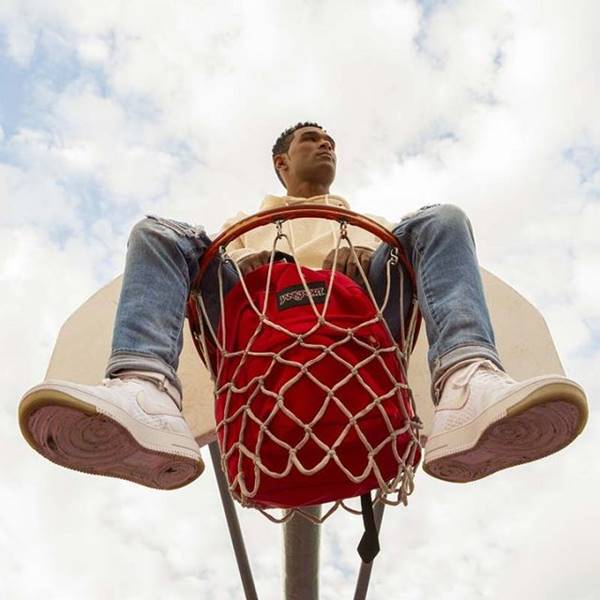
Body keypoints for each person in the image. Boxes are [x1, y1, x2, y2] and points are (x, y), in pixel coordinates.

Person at [19, 122, 588, 490]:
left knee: (440, 221)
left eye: (330, 140)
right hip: (254, 356)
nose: (326, 144)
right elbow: (226, 284)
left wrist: (362, 263)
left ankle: (467, 381)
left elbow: (403, 279)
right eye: (311, 139)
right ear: (281, 162)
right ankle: (145, 388)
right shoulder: (240, 229)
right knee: (159, 234)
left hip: (364, 348)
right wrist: (265, 268)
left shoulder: (375, 236)